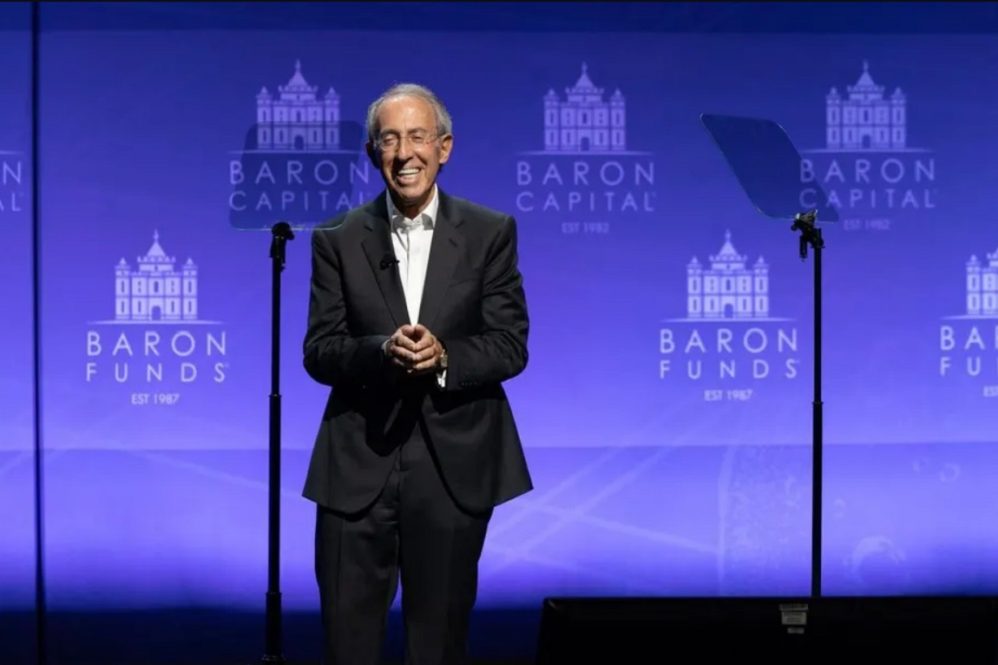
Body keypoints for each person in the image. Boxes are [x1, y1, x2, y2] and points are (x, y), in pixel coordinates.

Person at [302, 82, 532, 665]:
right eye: (389, 140)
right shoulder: (337, 238)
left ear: (445, 147)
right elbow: (320, 350)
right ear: (373, 152)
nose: (405, 153)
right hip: (358, 465)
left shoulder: (489, 232)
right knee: (348, 644)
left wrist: (445, 356)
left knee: (439, 643)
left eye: (418, 137)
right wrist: (382, 352)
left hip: (454, 465)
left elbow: (509, 345)